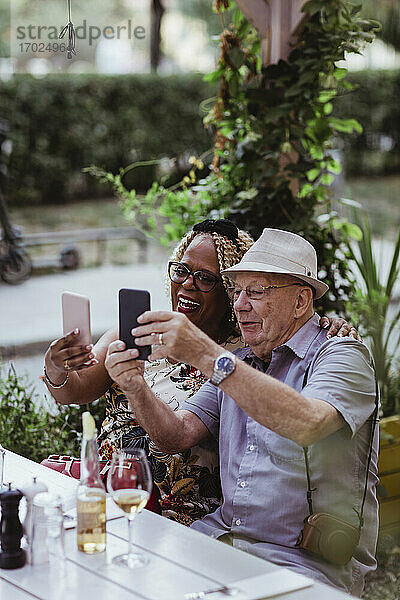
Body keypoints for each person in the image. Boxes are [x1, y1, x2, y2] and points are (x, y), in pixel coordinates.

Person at [104, 227, 378, 596]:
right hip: (219, 540)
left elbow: (308, 422)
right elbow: (175, 436)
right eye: (237, 292)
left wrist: (203, 352)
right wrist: (135, 385)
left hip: (304, 563)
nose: (239, 305)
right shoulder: (240, 361)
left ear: (300, 302)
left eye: (256, 292)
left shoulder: (342, 355)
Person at [43, 221, 358, 525]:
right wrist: (59, 367)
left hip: (178, 510)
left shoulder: (246, 354)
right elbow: (80, 393)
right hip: (113, 488)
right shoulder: (143, 333)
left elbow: (303, 413)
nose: (188, 283)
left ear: (226, 292)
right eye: (181, 271)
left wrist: (315, 325)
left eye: (206, 278)